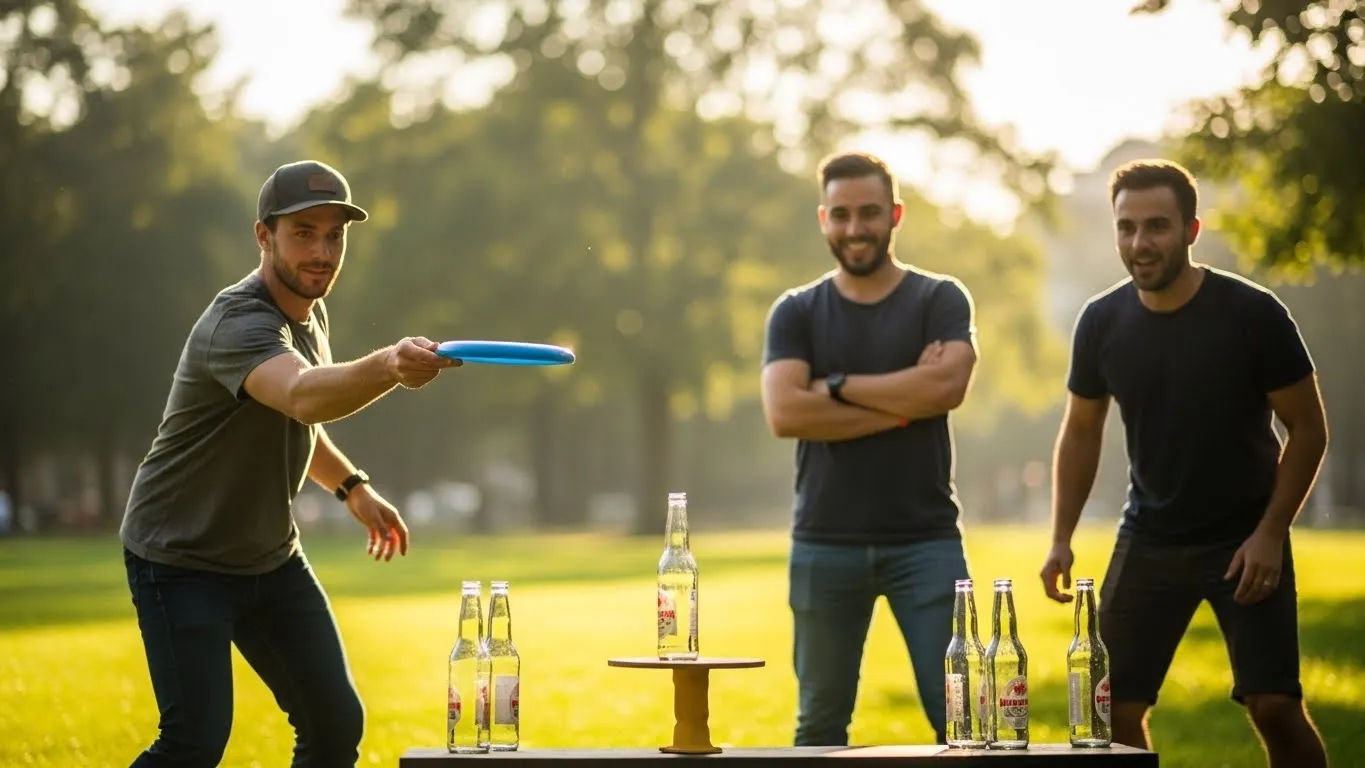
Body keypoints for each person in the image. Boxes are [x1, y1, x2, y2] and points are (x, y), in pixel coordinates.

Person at [120, 160, 459, 767]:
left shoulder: (309, 311)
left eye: (335, 235)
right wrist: (388, 365)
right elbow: (301, 393)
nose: (322, 252)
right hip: (179, 559)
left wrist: (351, 486)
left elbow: (296, 416)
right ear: (263, 236)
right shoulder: (239, 323)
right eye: (304, 232)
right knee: (194, 743)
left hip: (269, 558)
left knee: (333, 723)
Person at [1040, 159, 1328, 767]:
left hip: (1245, 536)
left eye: (1156, 226)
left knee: (1274, 705)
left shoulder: (1252, 314)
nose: (1140, 243)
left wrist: (1271, 534)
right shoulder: (1102, 321)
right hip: (1150, 536)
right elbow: (1082, 430)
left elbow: (1308, 429)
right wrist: (1060, 537)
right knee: (1111, 709)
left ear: (1191, 230)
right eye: (1126, 228)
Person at [760, 151, 978, 745]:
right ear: (823, 219)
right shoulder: (796, 310)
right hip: (824, 543)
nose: (856, 228)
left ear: (895, 215)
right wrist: (907, 403)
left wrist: (834, 389)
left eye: (870, 213)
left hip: (927, 541)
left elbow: (948, 385)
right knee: (819, 728)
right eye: (842, 214)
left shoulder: (940, 298)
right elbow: (785, 413)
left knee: (963, 722)